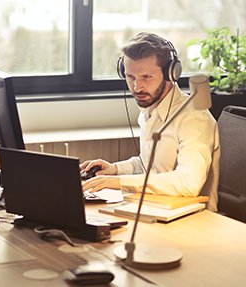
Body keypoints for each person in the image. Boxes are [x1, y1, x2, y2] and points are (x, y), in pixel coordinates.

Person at [80, 32, 220, 212]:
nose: (137, 87)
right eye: (131, 77)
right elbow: (149, 166)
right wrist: (115, 169)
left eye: (146, 77)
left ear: (171, 73)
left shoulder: (194, 118)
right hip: (155, 208)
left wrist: (119, 182)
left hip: (194, 220)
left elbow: (188, 183)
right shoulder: (149, 110)